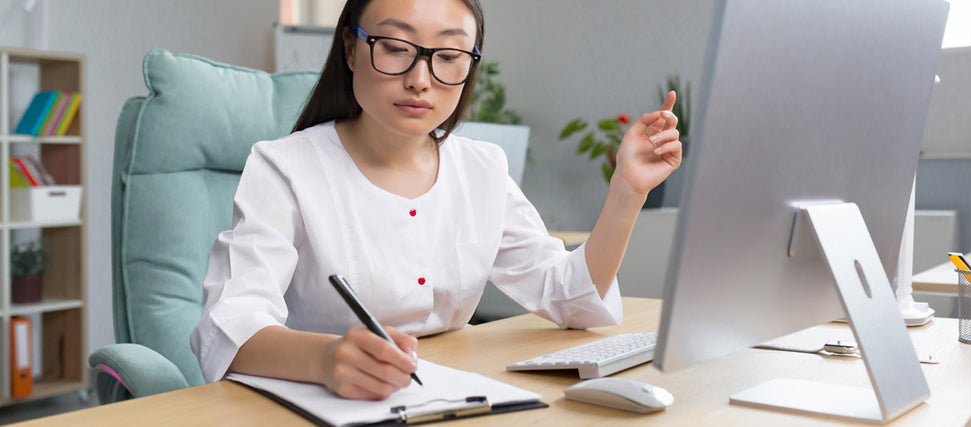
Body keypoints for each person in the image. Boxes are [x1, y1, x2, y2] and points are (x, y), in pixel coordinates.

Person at [190, 0, 682, 401]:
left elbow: (570, 299)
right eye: (396, 48)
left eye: (449, 57)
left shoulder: (481, 168)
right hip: (318, 405)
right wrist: (326, 360)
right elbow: (230, 325)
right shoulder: (285, 167)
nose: (420, 79)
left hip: (449, 398)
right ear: (350, 48)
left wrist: (627, 191)